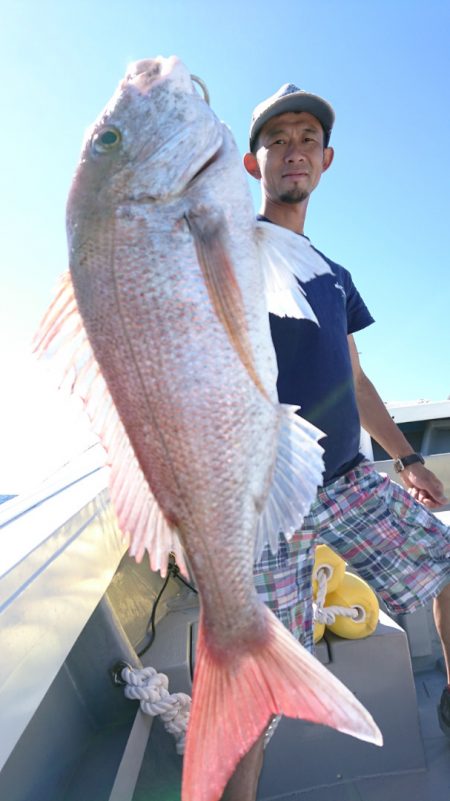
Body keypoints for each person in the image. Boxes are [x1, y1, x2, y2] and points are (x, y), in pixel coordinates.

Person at [220, 83, 450, 801]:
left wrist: (408, 458)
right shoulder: (226, 249)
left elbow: (354, 376)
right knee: (256, 680)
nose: (294, 149)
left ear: (326, 160)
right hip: (265, 499)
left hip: (349, 479)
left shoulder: (333, 274)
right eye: (277, 140)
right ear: (253, 165)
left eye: (306, 139)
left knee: (448, 563)